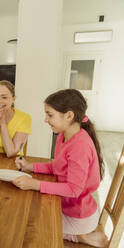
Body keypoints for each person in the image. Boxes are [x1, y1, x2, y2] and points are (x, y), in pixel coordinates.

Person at [12, 89, 108, 247]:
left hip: (78, 216)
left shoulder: (80, 146)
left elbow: (73, 189)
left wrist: (35, 184)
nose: (45, 120)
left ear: (69, 116)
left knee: (28, 225)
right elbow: (58, 167)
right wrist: (31, 166)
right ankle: (79, 235)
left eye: (50, 115)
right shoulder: (64, 135)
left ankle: (80, 237)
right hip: (68, 207)